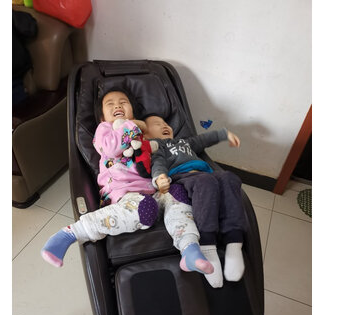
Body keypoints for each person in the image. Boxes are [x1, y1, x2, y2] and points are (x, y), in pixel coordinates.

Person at [41, 90, 214, 277]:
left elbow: (157, 156)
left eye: (123, 102)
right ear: (102, 117)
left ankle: (189, 249)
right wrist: (130, 124)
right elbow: (111, 148)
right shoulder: (105, 129)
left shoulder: (143, 134)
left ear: (133, 111)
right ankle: (71, 233)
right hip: (123, 192)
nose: (117, 105)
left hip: (151, 190)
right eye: (110, 104)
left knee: (177, 195)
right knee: (145, 208)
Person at [144, 115, 247, 288]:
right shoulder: (158, 146)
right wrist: (159, 178)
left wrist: (224, 134)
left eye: (166, 123)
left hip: (206, 174)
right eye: (157, 124)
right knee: (206, 182)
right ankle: (207, 245)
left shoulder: (185, 142)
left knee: (229, 177)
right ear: (147, 135)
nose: (164, 125)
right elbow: (158, 163)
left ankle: (234, 243)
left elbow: (203, 139)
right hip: (182, 178)